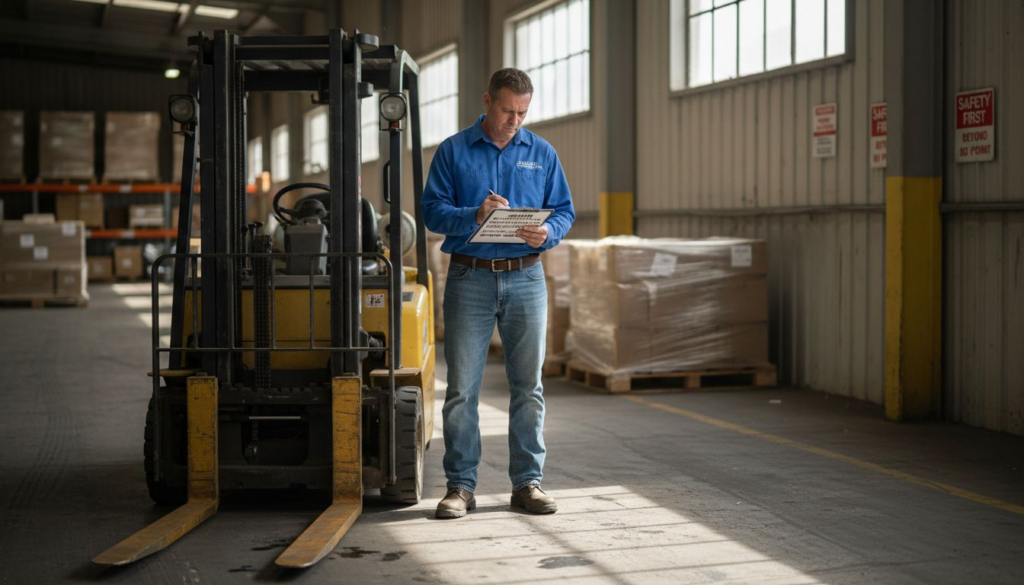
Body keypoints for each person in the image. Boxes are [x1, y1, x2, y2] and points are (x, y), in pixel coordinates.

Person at [422, 68, 575, 519]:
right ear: (488, 101)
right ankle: (460, 487)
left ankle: (527, 483)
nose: (515, 121)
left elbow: (564, 211)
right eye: (508, 111)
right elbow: (432, 212)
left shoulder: (542, 152)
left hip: (526, 278)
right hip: (469, 277)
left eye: (523, 113)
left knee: (528, 387)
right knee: (461, 390)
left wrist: (548, 232)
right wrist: (474, 214)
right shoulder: (453, 151)